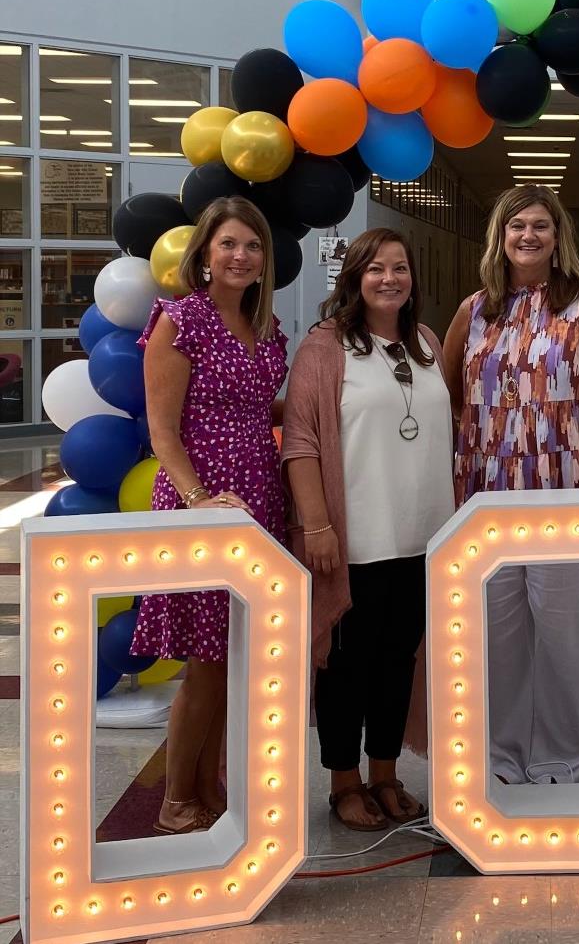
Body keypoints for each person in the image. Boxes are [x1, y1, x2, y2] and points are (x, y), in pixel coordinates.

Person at [443, 185, 579, 786]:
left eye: (541, 226)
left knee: (565, 639)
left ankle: (557, 758)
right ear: (499, 237)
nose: (528, 235)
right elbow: (445, 395)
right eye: (516, 225)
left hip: (567, 492)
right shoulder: (473, 311)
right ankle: (499, 759)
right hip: (487, 499)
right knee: (495, 638)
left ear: (558, 238)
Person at [283, 228, 453, 830]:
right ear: (353, 278)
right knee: (346, 666)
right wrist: (318, 525)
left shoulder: (426, 344)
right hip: (353, 539)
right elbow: (301, 442)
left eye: (400, 268)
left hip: (423, 539)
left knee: (398, 661)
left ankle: (385, 773)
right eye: (375, 268)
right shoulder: (325, 348)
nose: (389, 279)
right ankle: (343, 781)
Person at [130, 195, 288, 834]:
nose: (241, 255)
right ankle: (175, 796)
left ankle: (210, 786)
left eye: (252, 245)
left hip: (260, 502)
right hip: (205, 502)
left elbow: (261, 410)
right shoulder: (180, 319)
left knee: (237, 656)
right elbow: (163, 431)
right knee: (205, 663)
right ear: (205, 252)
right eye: (229, 243)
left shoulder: (267, 326)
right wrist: (199, 500)